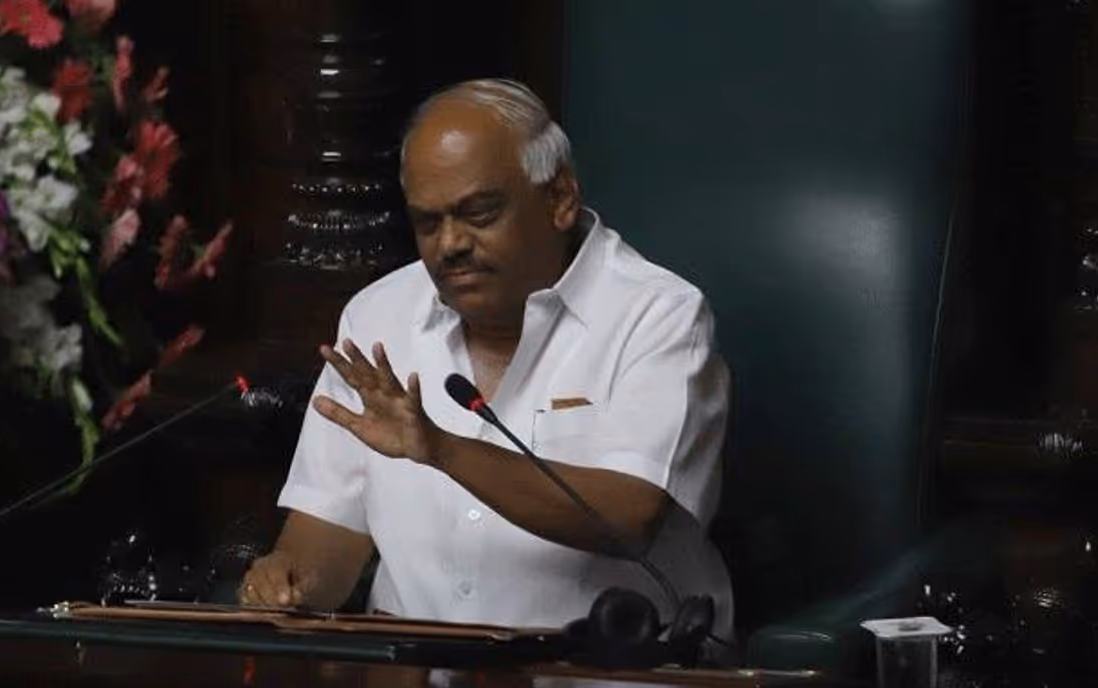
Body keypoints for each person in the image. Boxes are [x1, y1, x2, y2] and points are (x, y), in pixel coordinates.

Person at [239, 79, 733, 638]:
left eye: (478, 213)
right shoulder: (377, 317)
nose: (450, 244)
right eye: (428, 222)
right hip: (412, 672)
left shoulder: (659, 315)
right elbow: (330, 527)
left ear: (559, 198)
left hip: (605, 675)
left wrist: (442, 449)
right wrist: (290, 580)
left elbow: (629, 515)